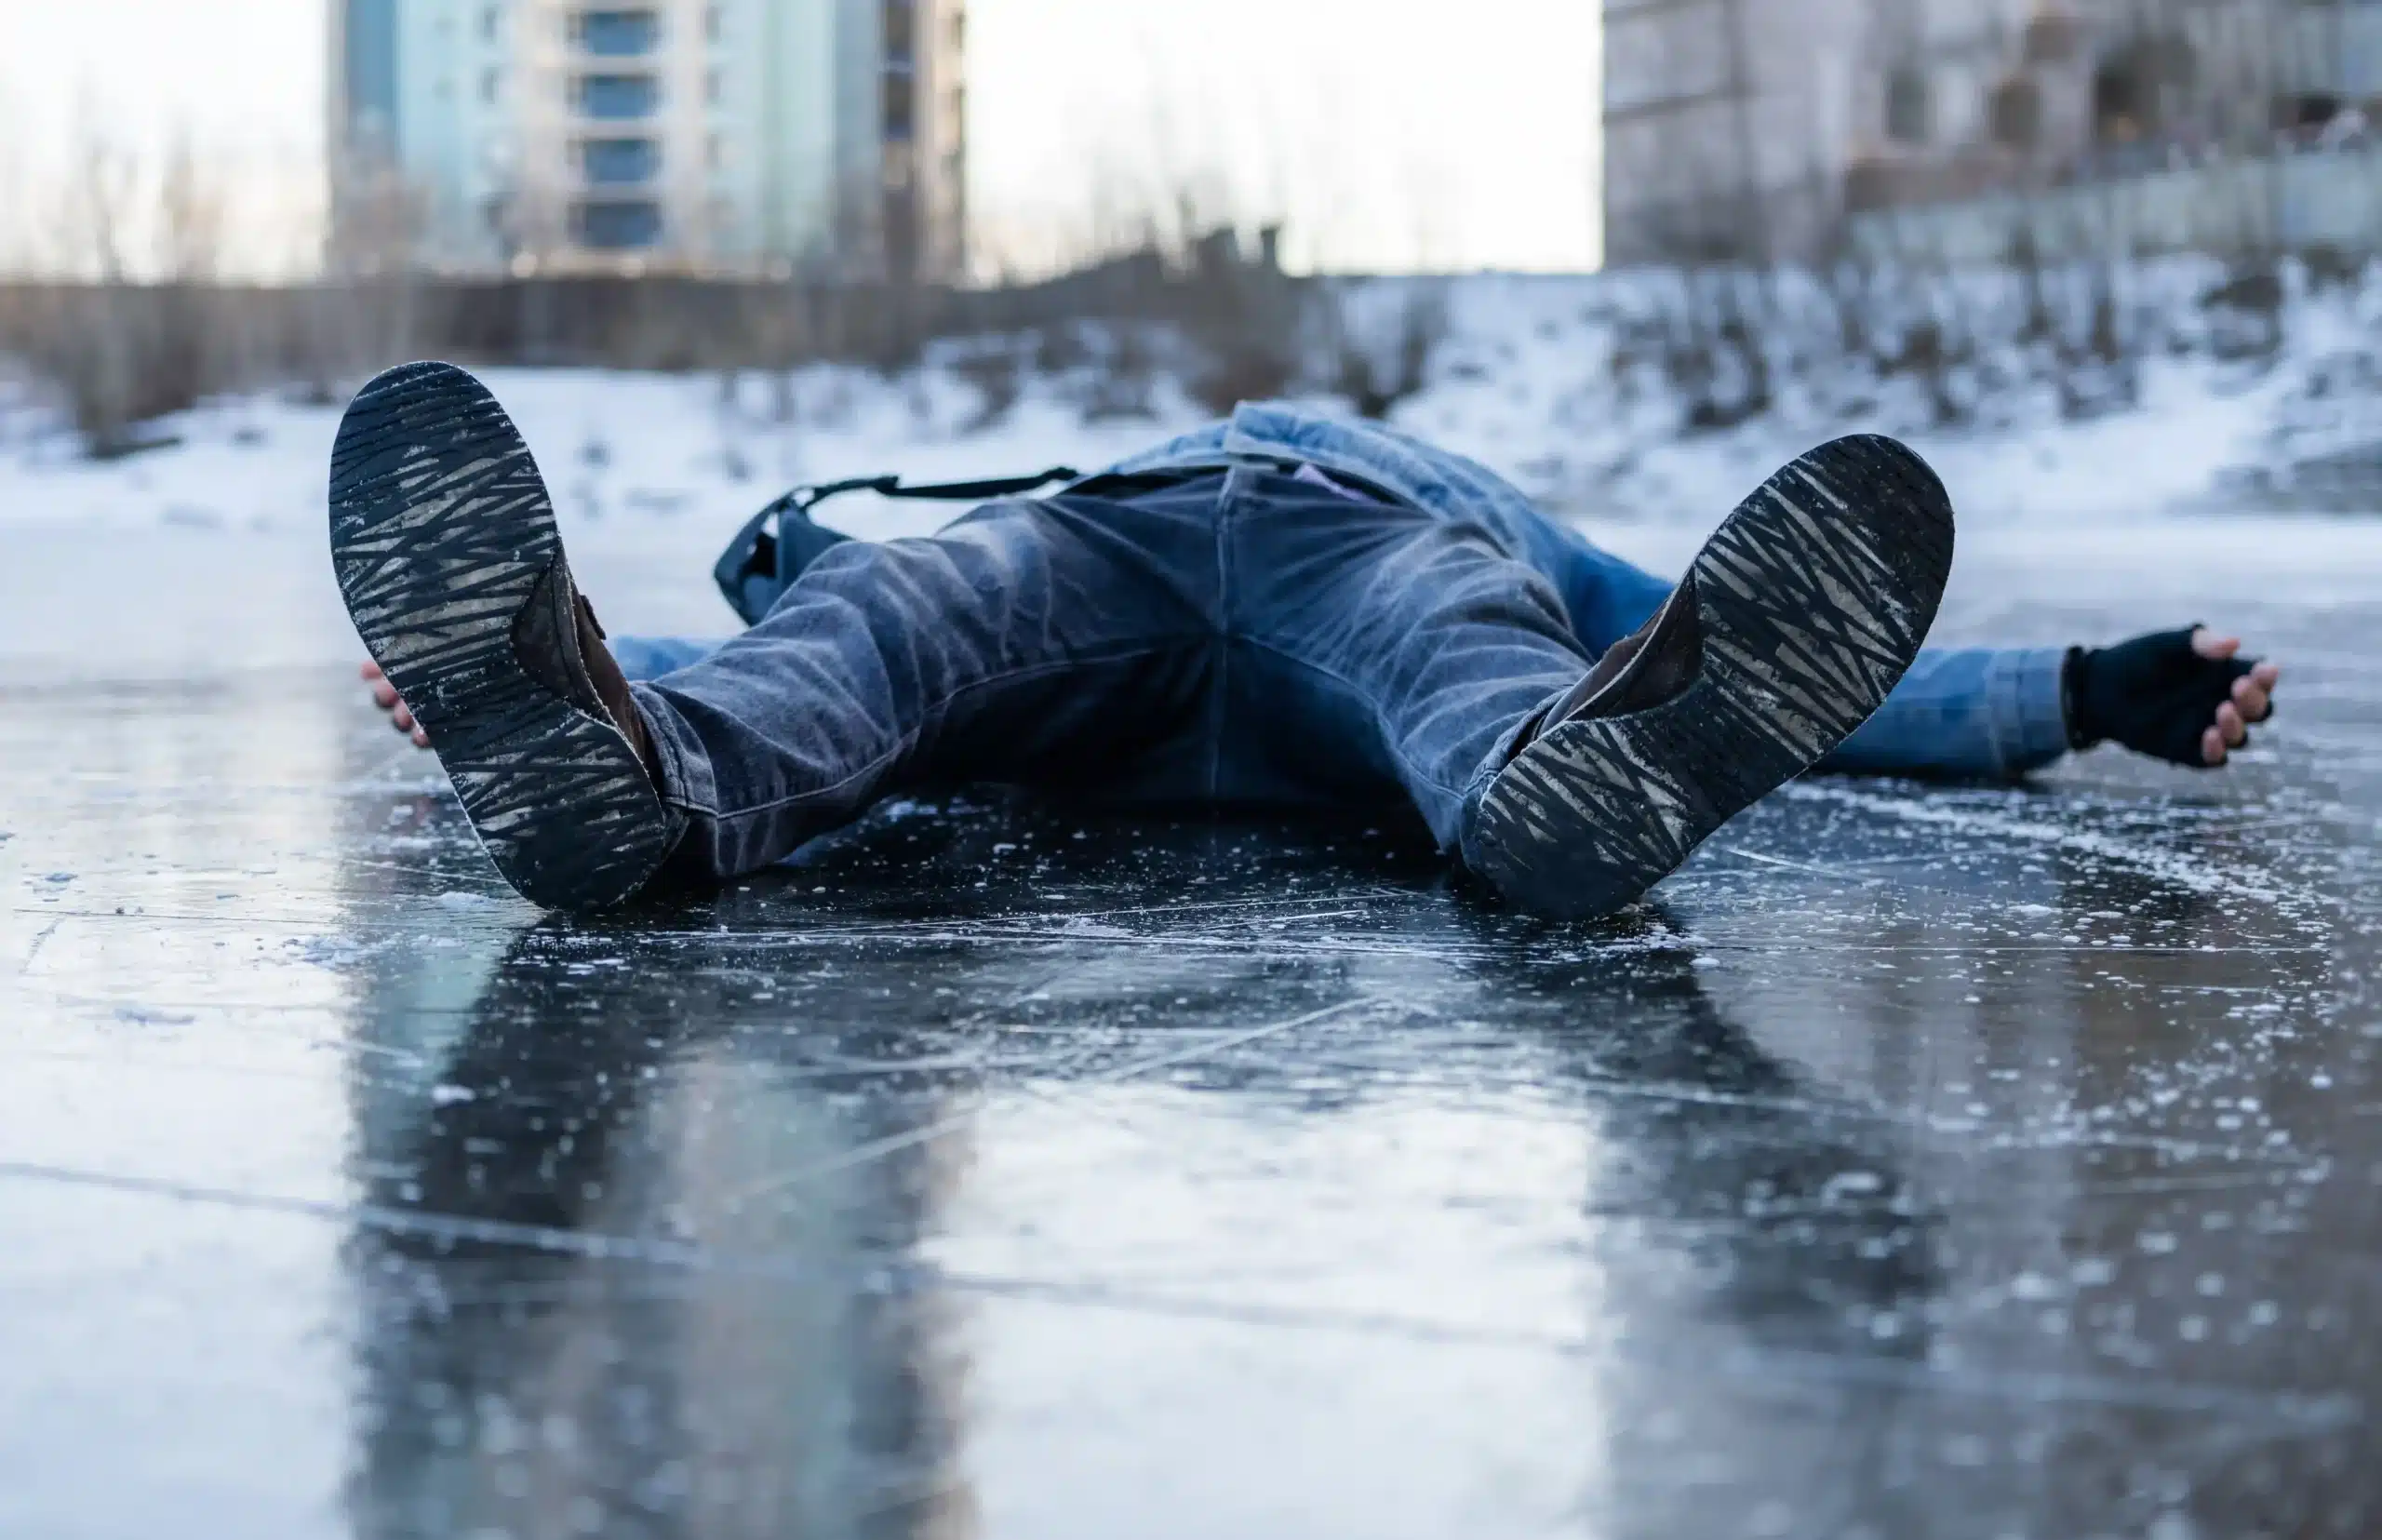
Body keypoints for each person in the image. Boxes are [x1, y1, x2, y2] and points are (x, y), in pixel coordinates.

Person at [336, 362, 2281, 918]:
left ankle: (1551, 796)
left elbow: (1717, 654)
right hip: (1094, 563)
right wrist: (569, 673)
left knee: (1485, 659)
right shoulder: (1143, 471)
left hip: (1374, 574)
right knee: (893, 610)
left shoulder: (1462, 507)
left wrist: (2075, 690)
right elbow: (839, 634)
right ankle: (628, 775)